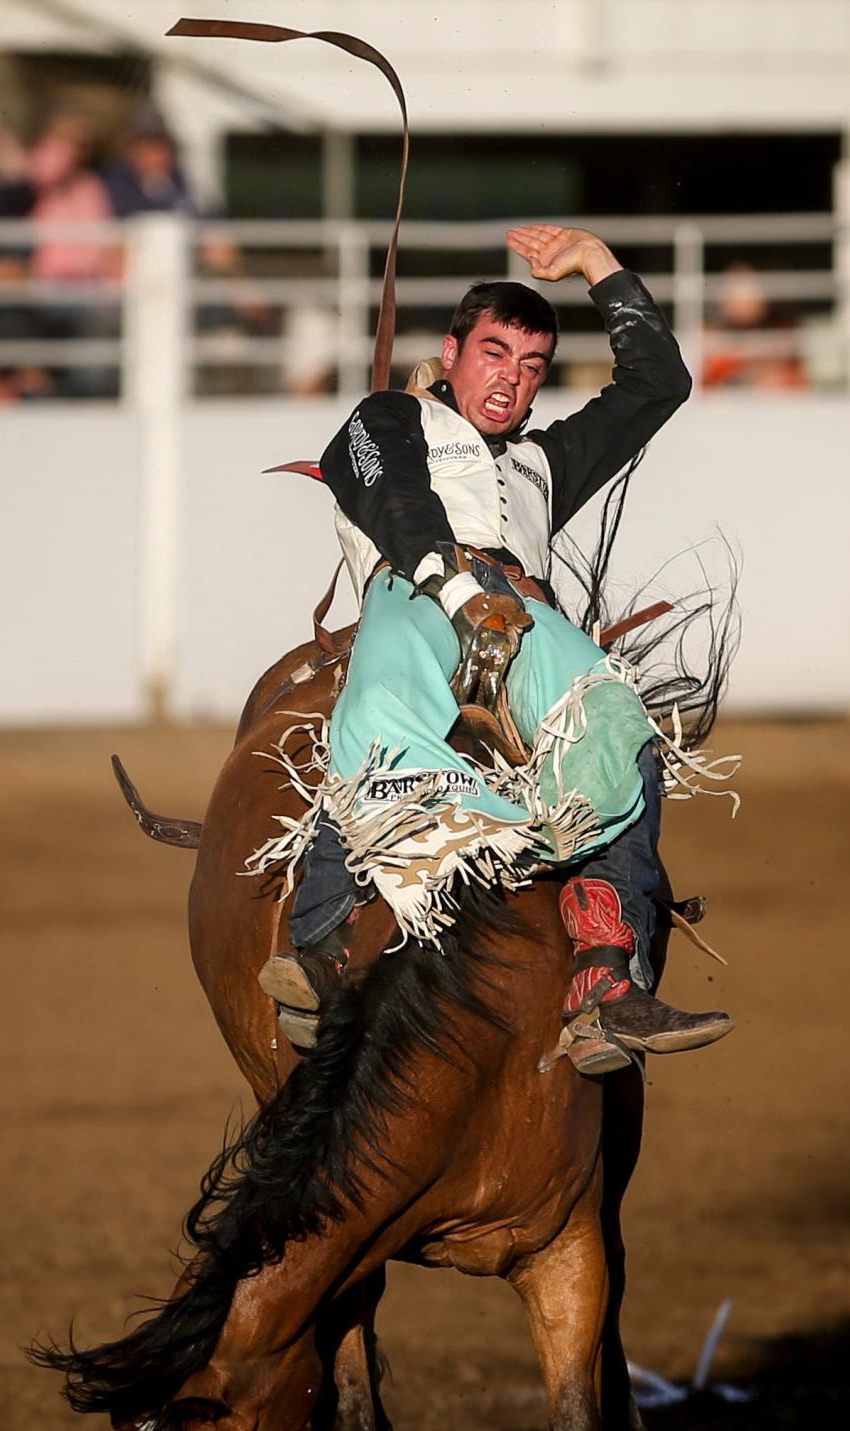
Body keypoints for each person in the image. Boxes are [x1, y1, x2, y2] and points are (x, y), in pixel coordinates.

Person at [256, 223, 732, 1063]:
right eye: (493, 352)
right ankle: (322, 948)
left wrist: (599, 265)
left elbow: (660, 381)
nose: (510, 378)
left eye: (531, 365)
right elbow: (398, 502)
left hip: (527, 619)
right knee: (381, 705)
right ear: (450, 353)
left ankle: (605, 983)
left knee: (616, 719)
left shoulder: (545, 464)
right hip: (414, 594)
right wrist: (462, 591)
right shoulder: (385, 417)